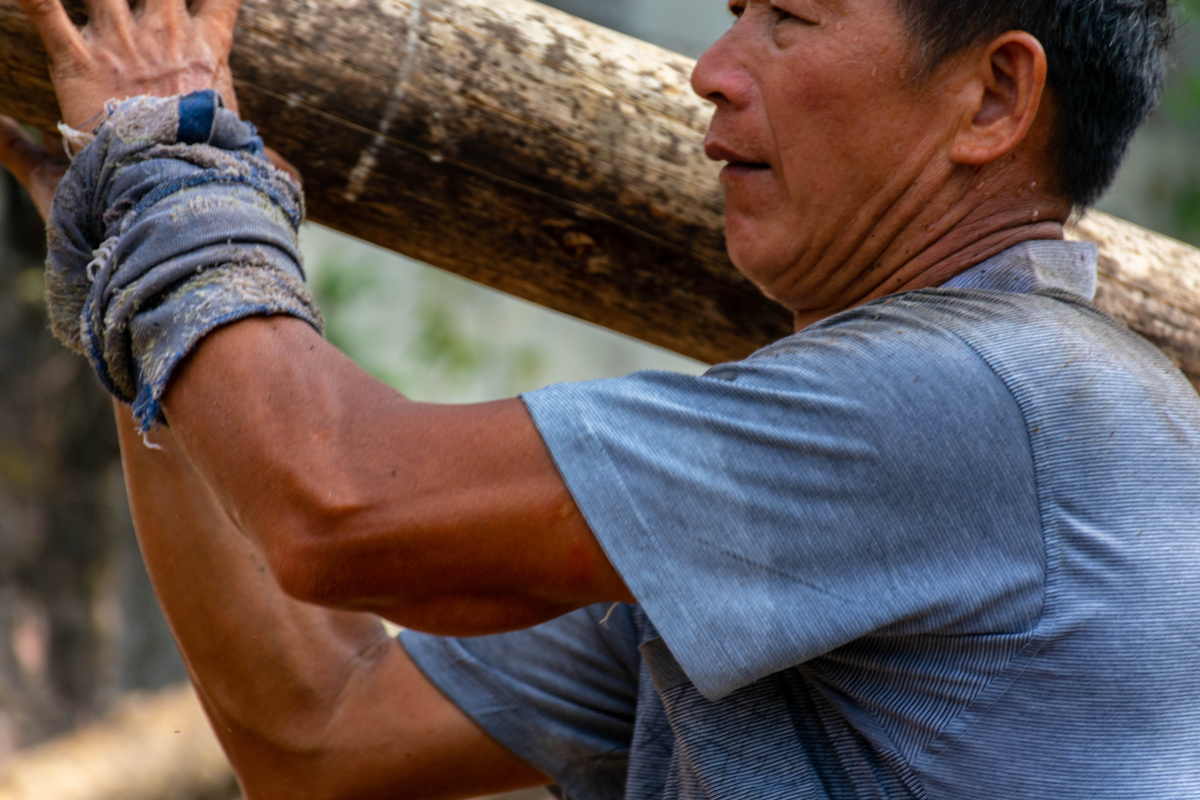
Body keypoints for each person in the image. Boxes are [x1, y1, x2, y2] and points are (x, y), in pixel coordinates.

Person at [1, 0, 1195, 797]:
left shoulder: (988, 396)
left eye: (787, 18)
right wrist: (137, 277)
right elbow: (318, 728)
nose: (713, 72)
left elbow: (339, 500)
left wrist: (173, 158)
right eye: (732, 15)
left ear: (993, 98)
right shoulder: (974, 433)